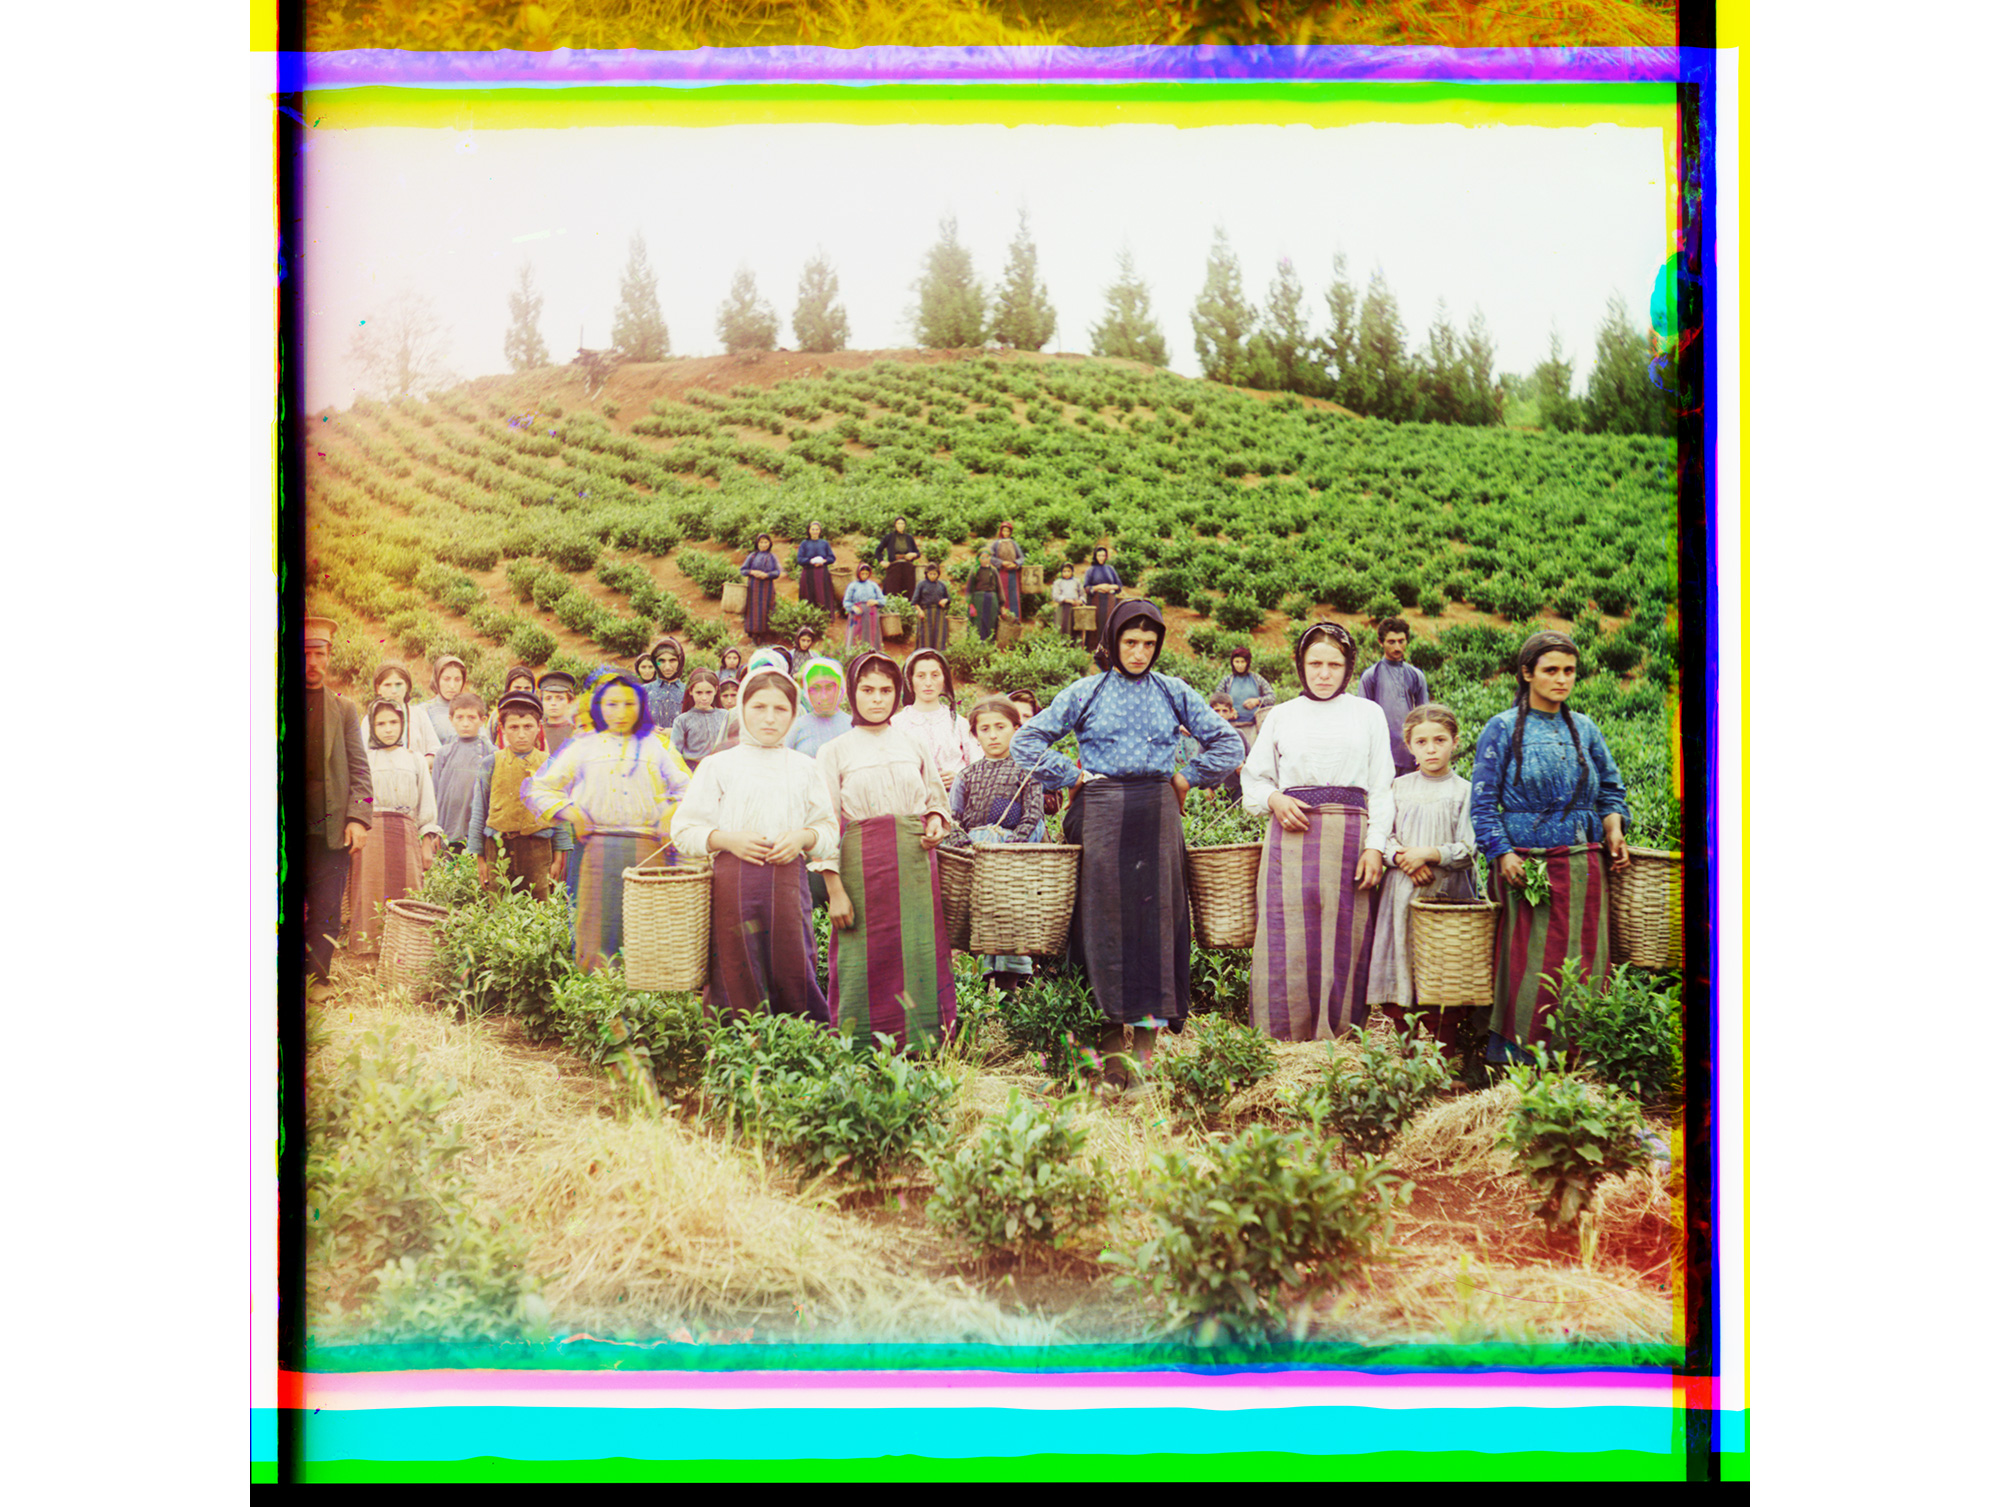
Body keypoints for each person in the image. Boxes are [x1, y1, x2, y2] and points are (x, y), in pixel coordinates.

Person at [1013, 599, 1241, 1092]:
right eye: (1130, 642)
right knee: (1098, 932)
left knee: (1155, 935)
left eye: (1149, 644)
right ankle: (1104, 1062)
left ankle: (1143, 1063)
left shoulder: (1173, 691)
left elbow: (1230, 744)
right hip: (1099, 818)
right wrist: (1072, 774)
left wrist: (1186, 776)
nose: (1139, 653)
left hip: (1157, 820)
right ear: (1112, 641)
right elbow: (1025, 741)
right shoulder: (1086, 692)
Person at [1470, 630, 1632, 1064]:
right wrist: (1502, 852)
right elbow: (1483, 803)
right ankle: (1518, 1062)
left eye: (1570, 671)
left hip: (1584, 865)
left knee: (1584, 960)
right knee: (1530, 964)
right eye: (1551, 671)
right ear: (1527, 674)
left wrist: (1613, 828)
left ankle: (1582, 1059)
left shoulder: (1585, 728)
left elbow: (1611, 791)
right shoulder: (1502, 728)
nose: (1562, 680)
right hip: (1527, 868)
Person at [1239, 622, 1394, 1042]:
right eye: (1315, 664)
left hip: (1350, 839)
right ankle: (1281, 1037)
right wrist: (1275, 800)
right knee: (1287, 934)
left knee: (1345, 935)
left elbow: (1381, 786)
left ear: (1347, 669)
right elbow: (1253, 781)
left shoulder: (1368, 713)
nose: (1323, 673)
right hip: (1291, 838)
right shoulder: (1281, 716)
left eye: (1333, 664)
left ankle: (1339, 1035)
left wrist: (1375, 847)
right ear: (1300, 665)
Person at [670, 666, 838, 1026]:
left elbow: (827, 829)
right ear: (742, 708)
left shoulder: (805, 768)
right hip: (733, 885)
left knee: (793, 964)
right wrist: (727, 840)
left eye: (781, 709)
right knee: (735, 966)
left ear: (794, 714)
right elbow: (684, 829)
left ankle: (799, 1052)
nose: (769, 718)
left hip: (788, 885)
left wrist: (801, 838)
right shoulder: (718, 765)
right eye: (759, 707)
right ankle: (737, 1058)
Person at [813, 652, 956, 1049]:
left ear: (898, 694)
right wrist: (834, 889)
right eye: (867, 690)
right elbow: (825, 824)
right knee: (863, 958)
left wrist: (935, 822)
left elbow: (936, 800)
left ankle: (927, 1046)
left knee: (920, 952)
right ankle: (860, 1048)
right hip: (861, 868)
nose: (877, 699)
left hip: (914, 865)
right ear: (851, 692)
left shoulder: (913, 743)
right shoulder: (834, 751)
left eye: (886, 690)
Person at [525, 673, 692, 972]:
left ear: (641, 706)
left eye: (629, 704)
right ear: (599, 706)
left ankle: (640, 1005)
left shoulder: (656, 746)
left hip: (647, 851)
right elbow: (539, 787)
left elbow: (687, 788)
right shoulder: (583, 746)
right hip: (595, 849)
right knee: (593, 927)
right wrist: (571, 812)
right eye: (611, 704)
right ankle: (596, 1001)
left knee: (643, 929)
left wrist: (669, 814)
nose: (620, 712)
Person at [1366, 704, 1480, 1058]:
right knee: (1403, 969)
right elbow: (1381, 834)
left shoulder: (1465, 791)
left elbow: (1468, 848)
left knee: (1444, 975)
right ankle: (1408, 1056)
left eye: (1440, 740)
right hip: (1401, 897)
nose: (1431, 749)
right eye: (1422, 741)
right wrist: (1403, 857)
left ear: (1455, 742)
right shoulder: (1396, 788)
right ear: (1409, 745)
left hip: (1448, 900)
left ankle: (1446, 1059)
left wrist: (1429, 854)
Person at [946, 696, 1046, 994]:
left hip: (1014, 863)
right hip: (975, 862)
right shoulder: (967, 775)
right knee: (979, 924)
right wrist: (967, 847)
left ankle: (1008, 994)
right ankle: (976, 997)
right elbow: (952, 817)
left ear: (1016, 728)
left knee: (1010, 923)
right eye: (984, 728)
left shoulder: (1027, 771)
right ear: (974, 735)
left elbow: (1033, 815)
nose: (993, 735)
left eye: (1000, 727)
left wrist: (1009, 848)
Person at [340, 699, 444, 956]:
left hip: (405, 833)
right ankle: (367, 951)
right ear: (372, 727)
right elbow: (356, 796)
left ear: (403, 724)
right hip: (371, 834)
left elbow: (425, 802)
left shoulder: (416, 759)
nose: (388, 729)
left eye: (394, 722)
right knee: (369, 890)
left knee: (407, 889)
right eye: (381, 723)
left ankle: (405, 952)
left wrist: (426, 842)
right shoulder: (364, 759)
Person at [302, 616, 371, 983]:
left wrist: (357, 818)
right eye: (304, 654)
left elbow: (361, 770)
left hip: (330, 830)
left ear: (329, 656)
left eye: (319, 653)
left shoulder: (344, 709)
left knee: (328, 909)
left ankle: (316, 981)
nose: (312, 663)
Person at [466, 690, 568, 902]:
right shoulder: (490, 764)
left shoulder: (549, 765)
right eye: (514, 727)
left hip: (538, 851)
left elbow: (559, 814)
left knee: (538, 909)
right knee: (499, 910)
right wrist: (481, 859)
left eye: (528, 727)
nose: (521, 734)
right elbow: (479, 812)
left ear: (539, 728)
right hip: (498, 849)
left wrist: (559, 856)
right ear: (502, 729)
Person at [890, 647, 979, 793]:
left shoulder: (959, 723)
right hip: (912, 804)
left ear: (944, 679)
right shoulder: (896, 724)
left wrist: (960, 778)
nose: (928, 682)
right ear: (910, 681)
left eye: (935, 675)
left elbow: (978, 766)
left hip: (955, 804)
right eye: (921, 676)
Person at [1356, 618, 1432, 779]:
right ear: (1380, 642)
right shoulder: (1371, 676)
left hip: (1409, 754)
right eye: (1391, 642)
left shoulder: (1416, 675)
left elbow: (1424, 718)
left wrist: (1422, 753)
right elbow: (1363, 720)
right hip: (1380, 755)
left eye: (1401, 641)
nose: (1397, 647)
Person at [432, 691, 491, 857]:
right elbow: (434, 794)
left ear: (482, 720)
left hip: (478, 833)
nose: (465, 723)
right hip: (447, 831)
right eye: (460, 717)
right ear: (451, 720)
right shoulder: (443, 754)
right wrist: (434, 830)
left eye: (471, 717)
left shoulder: (491, 753)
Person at [363, 661, 440, 762]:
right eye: (387, 685)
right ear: (378, 689)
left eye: (398, 684)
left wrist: (417, 766)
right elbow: (363, 757)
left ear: (407, 686)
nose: (394, 690)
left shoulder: (419, 715)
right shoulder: (369, 720)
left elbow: (435, 751)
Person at [415, 654, 488, 760]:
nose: (452, 686)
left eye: (457, 680)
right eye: (446, 679)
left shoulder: (472, 708)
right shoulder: (424, 710)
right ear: (437, 680)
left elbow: (484, 741)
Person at [670, 669, 729, 771]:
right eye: (699, 693)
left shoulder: (725, 716)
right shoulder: (682, 720)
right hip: (693, 771)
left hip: (721, 769)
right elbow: (674, 753)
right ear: (691, 691)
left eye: (708, 692)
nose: (704, 698)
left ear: (716, 690)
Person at [1214, 647, 1276, 735]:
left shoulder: (1257, 679)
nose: (1240, 665)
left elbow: (1272, 697)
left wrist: (1257, 701)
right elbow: (1216, 700)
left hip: (1253, 727)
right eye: (1237, 662)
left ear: (1248, 662)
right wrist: (1228, 711)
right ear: (1232, 663)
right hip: (1230, 727)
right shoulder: (1227, 681)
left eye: (1242, 662)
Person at [740, 533, 783, 642]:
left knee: (766, 607)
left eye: (766, 542)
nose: (764, 545)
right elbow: (743, 570)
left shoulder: (772, 557)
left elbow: (778, 572)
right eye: (761, 542)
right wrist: (753, 572)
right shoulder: (752, 556)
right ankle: (754, 634)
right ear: (757, 544)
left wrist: (767, 575)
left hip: (767, 587)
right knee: (753, 608)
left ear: (769, 544)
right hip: (754, 586)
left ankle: (764, 634)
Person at [1082, 546, 1122, 655]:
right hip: (1096, 601)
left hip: (1109, 601)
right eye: (1099, 555)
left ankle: (1108, 650)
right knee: (1096, 624)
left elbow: (1119, 586)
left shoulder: (1110, 569)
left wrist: (1109, 587)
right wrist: (1098, 587)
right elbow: (1086, 587)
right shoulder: (1091, 570)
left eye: (1103, 555)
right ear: (1095, 556)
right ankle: (1093, 650)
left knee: (1109, 623)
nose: (1101, 557)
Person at [875, 515, 922, 600]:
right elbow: (878, 550)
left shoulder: (909, 538)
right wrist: (882, 562)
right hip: (894, 567)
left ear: (905, 525)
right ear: (895, 525)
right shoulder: (889, 537)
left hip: (907, 568)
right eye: (898, 523)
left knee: (908, 591)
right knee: (892, 590)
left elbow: (918, 553)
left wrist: (913, 555)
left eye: (902, 523)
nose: (900, 525)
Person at [843, 562, 887, 651]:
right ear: (858, 573)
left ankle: (872, 652)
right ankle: (854, 653)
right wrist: (853, 608)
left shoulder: (873, 585)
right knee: (856, 634)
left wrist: (875, 602)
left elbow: (883, 600)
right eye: (862, 573)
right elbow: (846, 601)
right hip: (857, 615)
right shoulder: (853, 586)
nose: (864, 576)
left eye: (866, 574)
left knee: (871, 633)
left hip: (871, 615)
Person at [538, 669, 583, 755]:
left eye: (560, 699)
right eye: (548, 698)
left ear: (569, 701)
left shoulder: (577, 731)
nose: (553, 703)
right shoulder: (537, 731)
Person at [796, 521, 838, 614]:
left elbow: (832, 557)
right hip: (808, 573)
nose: (815, 531)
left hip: (822, 573)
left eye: (817, 529)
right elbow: (800, 559)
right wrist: (810, 561)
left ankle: (824, 615)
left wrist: (824, 561)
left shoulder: (824, 543)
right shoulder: (804, 543)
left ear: (820, 531)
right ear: (809, 531)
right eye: (813, 529)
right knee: (808, 594)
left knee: (822, 594)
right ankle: (809, 616)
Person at [646, 638, 686, 731]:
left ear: (680, 662)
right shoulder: (644, 690)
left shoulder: (690, 692)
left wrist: (677, 731)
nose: (667, 667)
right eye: (661, 661)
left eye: (672, 660)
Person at [989, 520, 1025, 621]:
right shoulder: (995, 544)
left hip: (1013, 574)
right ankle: (1000, 620)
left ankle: (1014, 620)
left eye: (1007, 531)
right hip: (1001, 573)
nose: (1005, 533)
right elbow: (991, 558)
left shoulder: (1014, 544)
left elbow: (1021, 558)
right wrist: (1002, 563)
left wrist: (1015, 563)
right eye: (1004, 531)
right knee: (1001, 595)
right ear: (1001, 531)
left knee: (1013, 596)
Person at [913, 562, 952, 651]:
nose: (932, 576)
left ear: (938, 574)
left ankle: (938, 655)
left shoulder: (942, 585)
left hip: (939, 613)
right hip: (926, 612)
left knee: (939, 635)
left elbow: (949, 598)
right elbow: (915, 601)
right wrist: (920, 611)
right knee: (925, 636)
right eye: (930, 574)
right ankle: (924, 655)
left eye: (935, 574)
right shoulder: (921, 584)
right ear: (926, 574)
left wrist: (945, 600)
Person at [967, 550, 1002, 642]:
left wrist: (1001, 604)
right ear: (979, 558)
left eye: (987, 557)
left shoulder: (993, 571)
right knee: (977, 623)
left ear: (990, 558)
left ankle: (989, 645)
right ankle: (976, 644)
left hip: (991, 599)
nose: (985, 560)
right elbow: (969, 589)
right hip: (978, 600)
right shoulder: (975, 571)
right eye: (983, 557)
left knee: (991, 623)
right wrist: (970, 604)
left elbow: (999, 588)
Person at [1050, 562, 1085, 642]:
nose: (1066, 573)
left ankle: (1076, 647)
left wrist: (1080, 601)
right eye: (1064, 571)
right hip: (1063, 608)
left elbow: (1082, 594)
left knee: (1075, 627)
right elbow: (1055, 596)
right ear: (1061, 572)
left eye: (1068, 571)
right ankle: (1063, 647)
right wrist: (1067, 600)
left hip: (1075, 608)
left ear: (1072, 572)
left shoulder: (1077, 581)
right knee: (1063, 627)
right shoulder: (1058, 582)